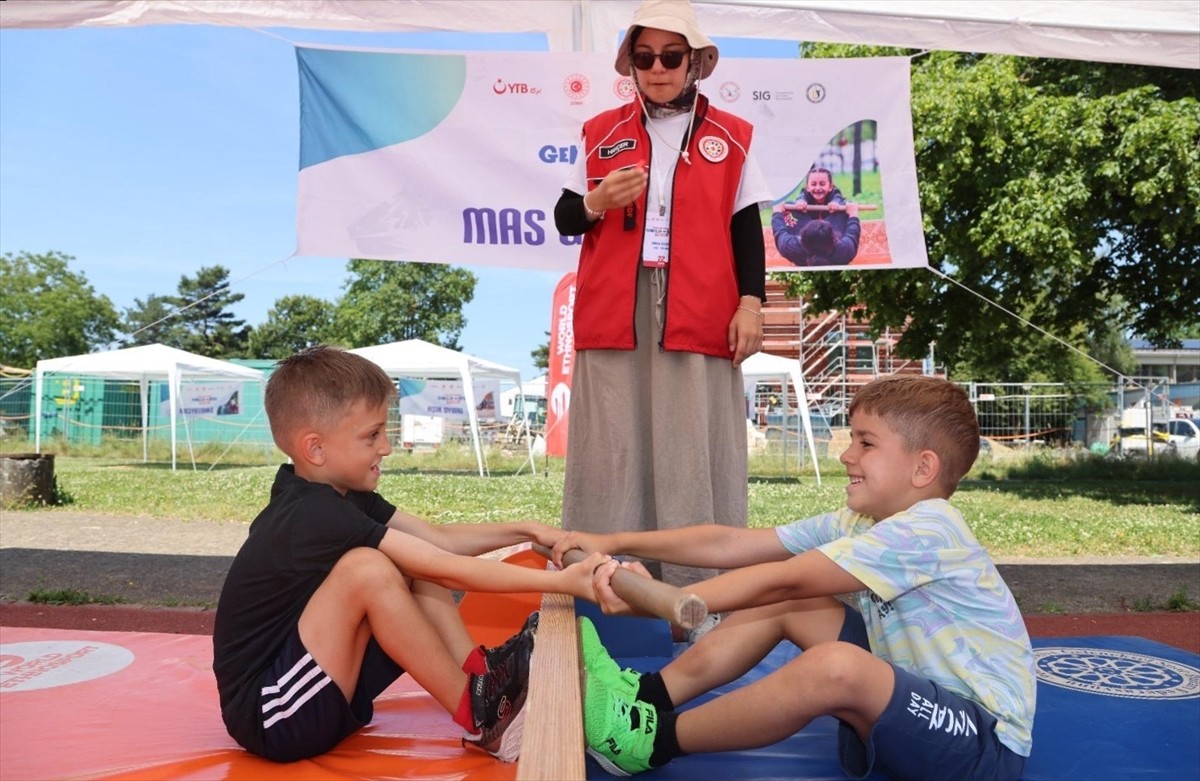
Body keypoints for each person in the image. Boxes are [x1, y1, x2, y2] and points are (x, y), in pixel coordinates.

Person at [553, 374, 1036, 780]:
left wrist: (658, 600)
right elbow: (732, 544)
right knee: (786, 607)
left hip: (979, 745)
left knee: (834, 662)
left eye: (866, 443)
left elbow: (785, 579)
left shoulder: (930, 527)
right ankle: (646, 697)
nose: (846, 455)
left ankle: (649, 741)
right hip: (905, 699)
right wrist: (613, 542)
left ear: (923, 467)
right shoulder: (862, 522)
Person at [212, 345, 606, 765]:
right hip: (272, 715)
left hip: (315, 691)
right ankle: (481, 716)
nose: (386, 447)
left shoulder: (341, 497)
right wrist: (558, 581)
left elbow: (437, 541)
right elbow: (447, 569)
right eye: (371, 435)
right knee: (368, 568)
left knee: (405, 563)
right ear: (316, 449)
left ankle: (478, 676)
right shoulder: (310, 513)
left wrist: (527, 529)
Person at [552, 0, 771, 594]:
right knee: (612, 448)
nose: (657, 68)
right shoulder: (602, 131)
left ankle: (702, 591)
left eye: (671, 56)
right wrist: (598, 202)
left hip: (700, 307)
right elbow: (567, 217)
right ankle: (602, 587)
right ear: (631, 63)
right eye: (644, 56)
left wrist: (751, 305)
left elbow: (745, 229)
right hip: (615, 306)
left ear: (696, 61)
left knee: (692, 445)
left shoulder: (732, 135)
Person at [772, 167, 861, 266]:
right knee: (792, 210)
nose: (818, 188)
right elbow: (852, 234)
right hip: (833, 247)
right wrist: (853, 215)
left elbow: (780, 233)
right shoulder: (844, 251)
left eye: (822, 184)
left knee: (790, 211)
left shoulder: (792, 248)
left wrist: (777, 213)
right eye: (814, 184)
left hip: (802, 250)